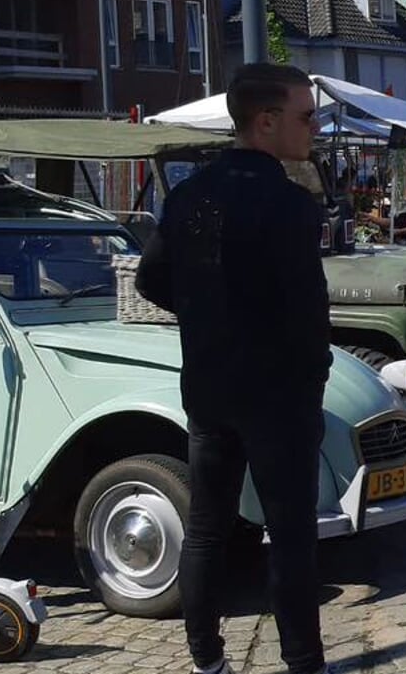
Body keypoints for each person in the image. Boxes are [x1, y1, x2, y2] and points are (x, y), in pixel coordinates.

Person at [137, 64, 334, 674]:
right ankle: (302, 663)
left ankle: (206, 660)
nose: (314, 129)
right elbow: (309, 308)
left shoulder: (189, 195)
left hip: (210, 383)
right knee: (291, 535)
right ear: (265, 121)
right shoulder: (290, 203)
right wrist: (313, 374)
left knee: (206, 528)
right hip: (277, 390)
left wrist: (206, 312)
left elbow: (149, 279)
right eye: (306, 117)